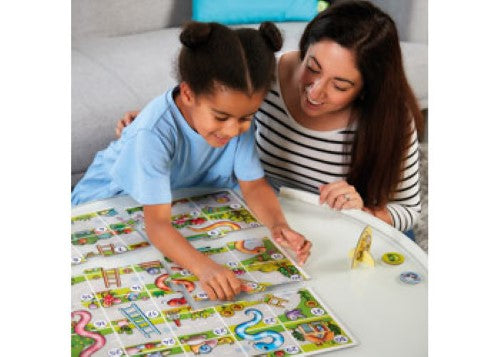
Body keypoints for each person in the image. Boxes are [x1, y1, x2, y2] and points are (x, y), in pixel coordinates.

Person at [115, 0, 424, 235]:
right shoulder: (265, 78)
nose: (315, 93)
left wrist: (362, 210)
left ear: (368, 87)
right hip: (268, 209)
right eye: (312, 68)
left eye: (340, 85)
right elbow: (209, 91)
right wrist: (156, 115)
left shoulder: (391, 118)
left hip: (339, 225)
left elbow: (410, 212)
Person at [72, 21, 312, 301]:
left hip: (184, 197)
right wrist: (205, 269)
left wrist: (279, 225)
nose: (233, 131)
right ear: (188, 94)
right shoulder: (153, 132)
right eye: (221, 117)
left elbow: (254, 184)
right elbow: (158, 225)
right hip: (117, 200)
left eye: (245, 118)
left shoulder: (234, 115)